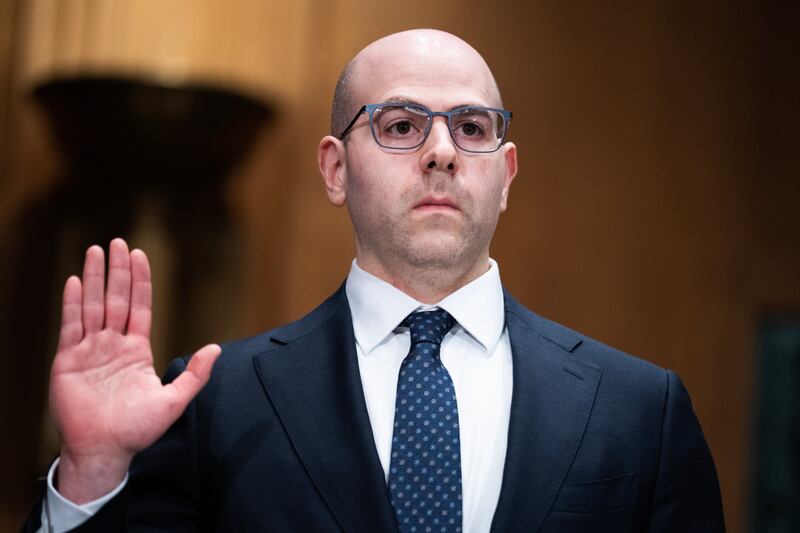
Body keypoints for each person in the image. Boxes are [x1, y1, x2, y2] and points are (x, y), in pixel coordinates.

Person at [26, 29, 724, 532]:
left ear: (505, 176)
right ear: (335, 169)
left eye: (472, 127)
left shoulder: (639, 411)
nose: (443, 153)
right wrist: (91, 476)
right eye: (400, 125)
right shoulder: (217, 406)